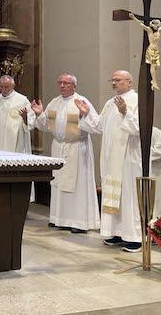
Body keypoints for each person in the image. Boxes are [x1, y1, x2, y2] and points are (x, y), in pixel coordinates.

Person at [77, 70, 142, 252]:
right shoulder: (110, 102)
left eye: (118, 80)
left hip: (127, 157)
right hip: (110, 157)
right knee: (114, 195)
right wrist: (86, 114)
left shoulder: (136, 100)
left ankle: (134, 237)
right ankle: (116, 232)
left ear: (129, 82)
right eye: (112, 80)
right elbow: (99, 126)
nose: (114, 83)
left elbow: (139, 128)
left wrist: (125, 112)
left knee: (127, 196)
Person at [31, 73, 100, 233]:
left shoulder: (82, 101)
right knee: (58, 183)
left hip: (77, 148)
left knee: (77, 185)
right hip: (59, 147)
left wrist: (84, 115)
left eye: (66, 83)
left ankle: (78, 222)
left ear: (74, 86)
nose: (62, 85)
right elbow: (45, 126)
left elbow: (95, 126)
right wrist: (39, 114)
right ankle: (59, 218)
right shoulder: (54, 102)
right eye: (60, 82)